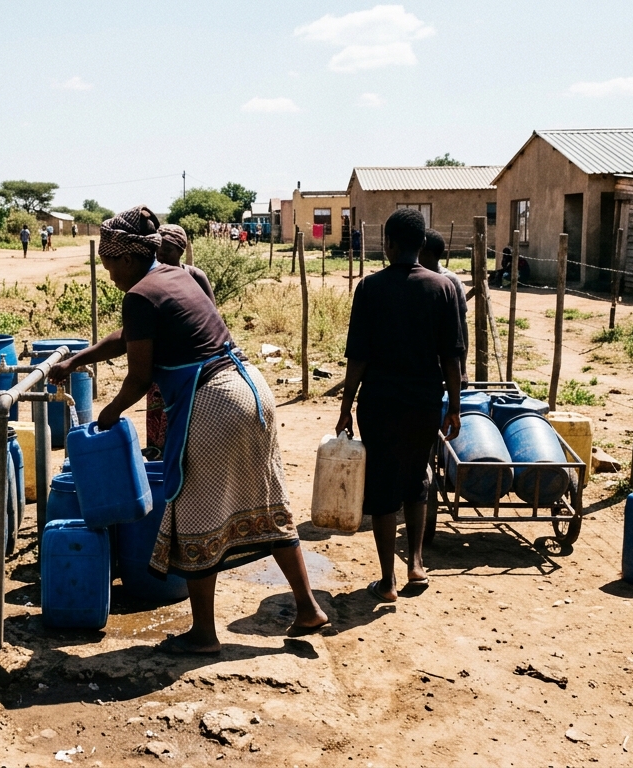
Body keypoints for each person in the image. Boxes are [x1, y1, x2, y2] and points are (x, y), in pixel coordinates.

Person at [50, 206, 327, 654]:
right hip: (252, 391)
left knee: (192, 512)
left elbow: (139, 377)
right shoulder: (177, 277)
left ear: (127, 257)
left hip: (213, 402)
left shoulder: (139, 295)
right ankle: (307, 607)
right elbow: (127, 338)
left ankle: (203, 635)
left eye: (109, 264)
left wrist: (109, 414)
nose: (109, 274)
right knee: (268, 501)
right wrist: (75, 361)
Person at [335, 208, 463, 603]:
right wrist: (455, 407)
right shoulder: (443, 288)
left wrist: (345, 406)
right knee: (417, 475)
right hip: (425, 402)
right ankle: (417, 564)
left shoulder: (370, 288)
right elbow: (452, 357)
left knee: (382, 485)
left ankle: (388, 580)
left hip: (380, 403)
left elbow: (358, 357)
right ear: (422, 244)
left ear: (387, 244)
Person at [145, 224, 216, 453]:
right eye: (157, 249)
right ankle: (159, 463)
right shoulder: (150, 278)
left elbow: (212, 317)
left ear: (181, 251)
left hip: (192, 366)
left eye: (168, 250)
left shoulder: (194, 276)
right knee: (159, 428)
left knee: (191, 426)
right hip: (161, 365)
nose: (161, 255)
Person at [419, 229, 468, 381]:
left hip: (445, 361)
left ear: (426, 253)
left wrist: (462, 369)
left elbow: (461, 325)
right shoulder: (413, 279)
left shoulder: (450, 282)